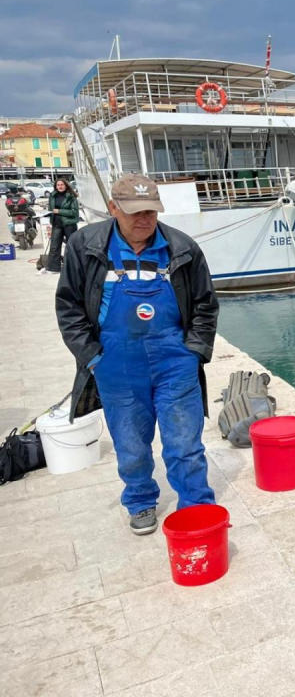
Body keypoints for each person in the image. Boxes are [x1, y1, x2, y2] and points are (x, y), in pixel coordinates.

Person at [55, 174, 219, 536]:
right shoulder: (86, 246)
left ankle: (195, 503)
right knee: (130, 442)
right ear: (113, 208)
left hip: (175, 362)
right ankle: (141, 499)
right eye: (133, 212)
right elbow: (69, 308)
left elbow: (205, 306)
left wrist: (194, 352)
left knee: (184, 442)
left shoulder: (183, 248)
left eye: (150, 211)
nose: (143, 219)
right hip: (116, 364)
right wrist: (93, 357)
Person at [43, 178, 80, 274]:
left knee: (71, 246)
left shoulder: (71, 197)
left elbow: (74, 212)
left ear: (66, 185)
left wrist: (59, 211)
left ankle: (74, 267)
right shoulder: (52, 196)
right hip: (56, 224)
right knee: (54, 246)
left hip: (69, 224)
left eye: (62, 184)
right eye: (58, 185)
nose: (60, 186)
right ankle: (53, 268)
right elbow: (51, 209)